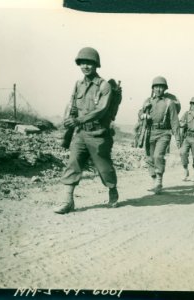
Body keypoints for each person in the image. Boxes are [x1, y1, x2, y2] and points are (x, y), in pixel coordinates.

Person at [54, 47, 120, 214]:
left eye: (89, 63)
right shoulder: (78, 84)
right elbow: (73, 105)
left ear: (96, 64)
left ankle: (112, 190)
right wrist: (70, 121)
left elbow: (102, 110)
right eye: (82, 63)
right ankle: (68, 201)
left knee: (104, 168)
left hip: (98, 134)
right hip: (80, 133)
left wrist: (79, 119)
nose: (86, 66)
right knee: (73, 163)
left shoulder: (104, 86)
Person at [138, 76, 181, 194]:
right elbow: (140, 113)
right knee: (150, 158)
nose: (158, 89)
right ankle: (154, 180)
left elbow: (174, 121)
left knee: (158, 156)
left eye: (161, 87)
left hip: (164, 133)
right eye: (156, 87)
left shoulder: (169, 103)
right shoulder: (148, 101)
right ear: (153, 88)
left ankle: (159, 181)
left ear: (165, 89)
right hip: (150, 132)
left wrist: (178, 138)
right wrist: (143, 114)